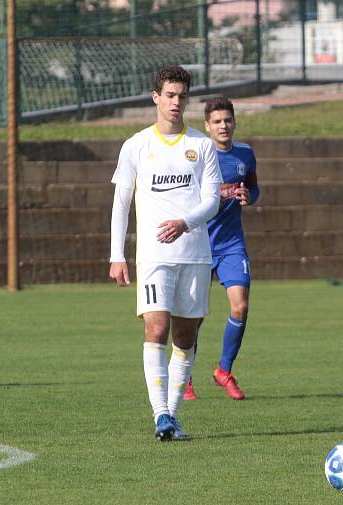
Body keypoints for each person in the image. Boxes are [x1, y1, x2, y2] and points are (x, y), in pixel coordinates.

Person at [109, 66, 222, 441]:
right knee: (156, 326)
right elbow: (121, 203)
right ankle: (160, 414)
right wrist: (116, 255)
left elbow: (211, 201)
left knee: (185, 335)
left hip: (195, 254)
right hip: (154, 255)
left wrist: (185, 222)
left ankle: (172, 417)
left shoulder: (201, 145)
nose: (176, 102)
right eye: (170, 95)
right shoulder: (137, 145)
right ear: (155, 97)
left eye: (182, 96)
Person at [182, 96, 259, 401]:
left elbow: (252, 185)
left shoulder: (245, 153)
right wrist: (219, 195)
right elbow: (187, 195)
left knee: (240, 306)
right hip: (199, 245)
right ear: (207, 126)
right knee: (194, 316)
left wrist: (248, 197)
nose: (223, 126)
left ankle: (223, 371)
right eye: (217, 121)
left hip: (231, 244)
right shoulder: (199, 155)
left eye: (227, 120)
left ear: (234, 122)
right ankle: (184, 377)